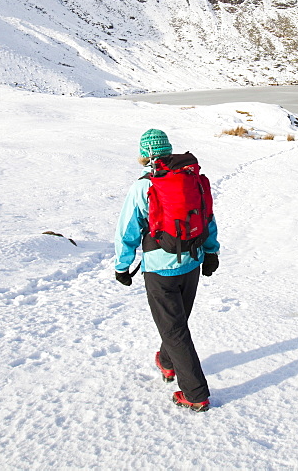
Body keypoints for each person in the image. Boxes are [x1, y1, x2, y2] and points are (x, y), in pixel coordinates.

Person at [114, 128, 220, 412]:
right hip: (192, 262)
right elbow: (207, 216)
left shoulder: (143, 187)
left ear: (144, 156)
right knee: (175, 322)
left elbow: (127, 230)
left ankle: (195, 394)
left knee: (174, 329)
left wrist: (122, 266)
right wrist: (211, 252)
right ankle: (167, 361)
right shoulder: (192, 180)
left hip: (160, 269)